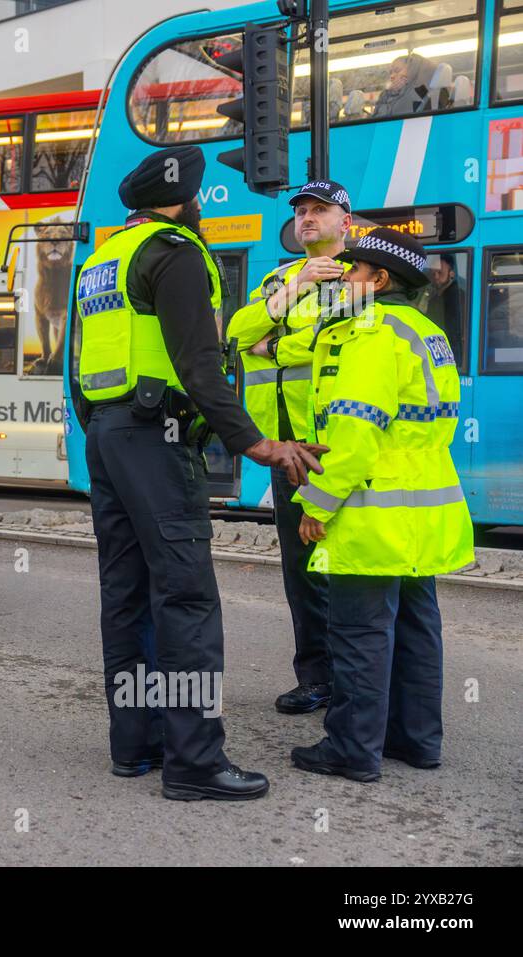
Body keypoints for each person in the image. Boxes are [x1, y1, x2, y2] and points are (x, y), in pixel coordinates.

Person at [71, 144, 325, 801]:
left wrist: (104, 426)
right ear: (182, 203)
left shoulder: (102, 260)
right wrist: (253, 443)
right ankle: (194, 761)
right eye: (198, 199)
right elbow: (200, 365)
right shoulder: (178, 253)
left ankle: (137, 745)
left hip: (106, 433)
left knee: (126, 596)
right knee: (185, 597)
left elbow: (78, 370)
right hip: (157, 438)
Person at [287, 228, 474, 782]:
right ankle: (416, 741)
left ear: (381, 279)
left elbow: (354, 436)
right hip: (425, 509)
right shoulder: (427, 330)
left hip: (375, 507)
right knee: (418, 626)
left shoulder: (371, 334)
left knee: (360, 632)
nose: (345, 278)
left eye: (355, 271)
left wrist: (316, 505)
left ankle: (351, 749)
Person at [228, 180, 352, 715]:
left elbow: (334, 340)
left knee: (344, 564)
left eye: (319, 210)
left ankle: (357, 680)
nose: (306, 218)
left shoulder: (359, 275)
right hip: (283, 447)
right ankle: (317, 677)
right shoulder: (280, 276)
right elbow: (235, 335)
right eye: (301, 210)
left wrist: (272, 343)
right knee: (300, 571)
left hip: (331, 441)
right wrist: (293, 288)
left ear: (345, 220)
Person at [424, 255, 464, 364]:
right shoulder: (435, 295)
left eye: (440, 273)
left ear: (452, 273)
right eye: (433, 273)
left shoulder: (456, 296)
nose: (436, 277)